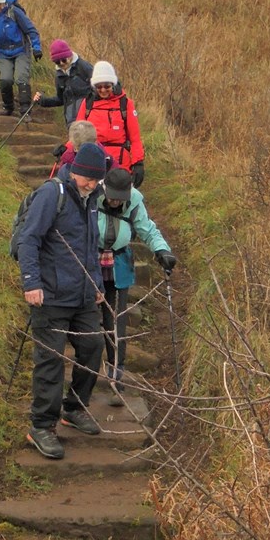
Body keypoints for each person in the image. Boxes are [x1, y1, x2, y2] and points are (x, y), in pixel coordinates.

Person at [16, 142, 108, 460]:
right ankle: (41, 426)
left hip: (82, 294)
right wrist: (31, 282)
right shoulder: (50, 194)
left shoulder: (92, 198)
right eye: (88, 179)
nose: (92, 185)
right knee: (51, 361)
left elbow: (90, 245)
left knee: (93, 347)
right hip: (50, 296)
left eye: (97, 181)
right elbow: (29, 239)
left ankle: (74, 408)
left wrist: (96, 284)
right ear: (76, 171)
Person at [97, 167, 176, 403]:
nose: (114, 201)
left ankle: (116, 378)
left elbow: (147, 229)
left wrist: (162, 250)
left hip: (119, 265)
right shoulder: (91, 197)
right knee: (87, 321)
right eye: (111, 196)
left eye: (119, 198)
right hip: (89, 263)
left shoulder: (133, 204)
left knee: (116, 321)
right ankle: (85, 377)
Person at [74, 61, 146, 186]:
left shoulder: (125, 104)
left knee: (119, 200)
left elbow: (135, 138)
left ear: (113, 84)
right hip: (93, 161)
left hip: (120, 164)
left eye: (107, 86)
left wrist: (138, 162)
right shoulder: (87, 104)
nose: (103, 90)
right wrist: (66, 150)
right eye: (99, 87)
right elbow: (77, 135)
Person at [33, 39, 93, 126]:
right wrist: (42, 100)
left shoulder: (84, 67)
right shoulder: (59, 76)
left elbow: (98, 89)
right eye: (57, 62)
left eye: (64, 60)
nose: (61, 63)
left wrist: (89, 107)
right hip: (71, 122)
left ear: (69, 56)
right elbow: (61, 99)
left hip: (89, 119)